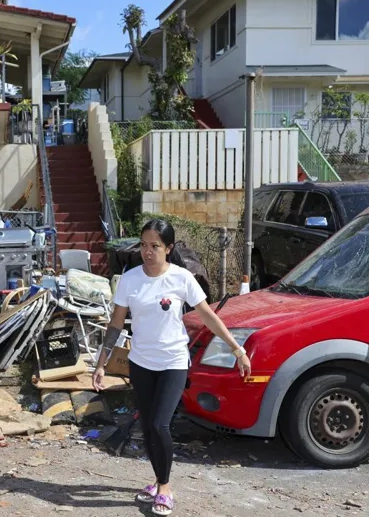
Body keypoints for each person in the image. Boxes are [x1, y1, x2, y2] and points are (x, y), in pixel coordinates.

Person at [93, 219, 251, 516]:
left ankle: (165, 488)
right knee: (148, 425)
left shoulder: (181, 278)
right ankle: (156, 480)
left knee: (159, 424)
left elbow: (208, 316)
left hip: (173, 363)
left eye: (155, 246)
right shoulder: (130, 279)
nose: (147, 252)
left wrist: (237, 349)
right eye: (143, 245)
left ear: (169, 248)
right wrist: (101, 363)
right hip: (141, 363)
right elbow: (116, 325)